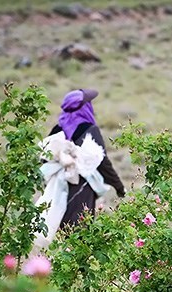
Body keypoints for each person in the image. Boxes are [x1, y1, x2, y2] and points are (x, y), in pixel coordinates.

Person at [47, 88, 126, 226]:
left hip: (58, 187)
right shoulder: (90, 130)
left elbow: (45, 156)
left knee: (61, 228)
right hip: (82, 188)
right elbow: (103, 162)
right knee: (80, 231)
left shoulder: (57, 130)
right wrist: (119, 187)